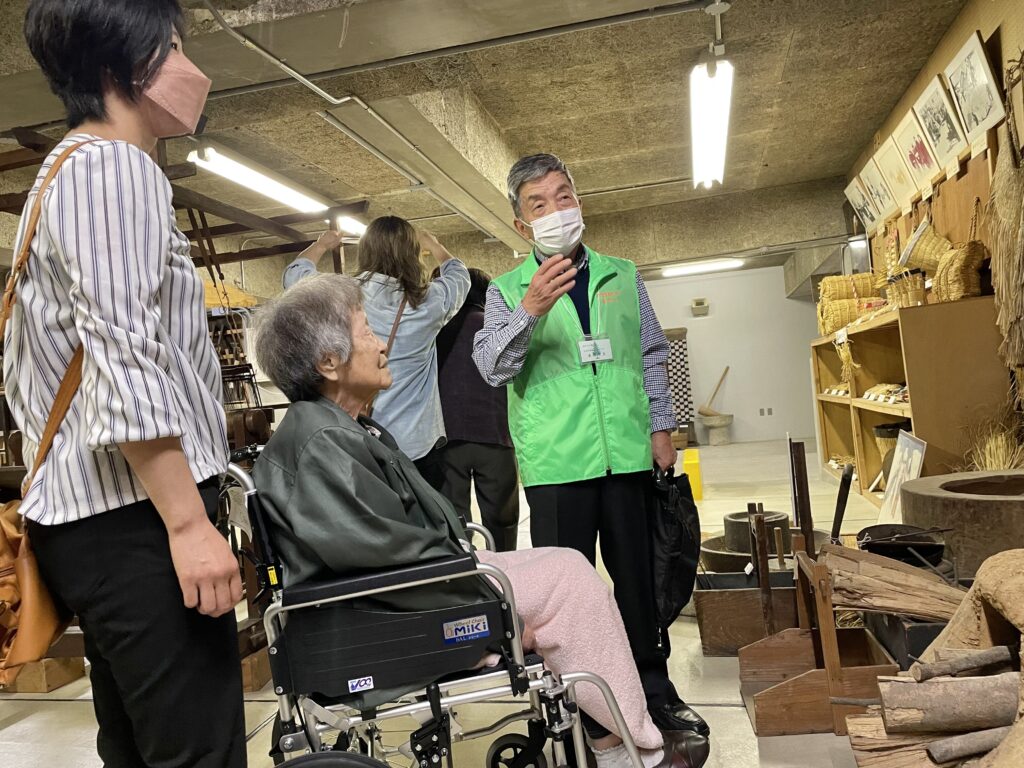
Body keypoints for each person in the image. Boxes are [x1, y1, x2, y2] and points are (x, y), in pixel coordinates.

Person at [250, 274, 710, 768]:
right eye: (366, 331)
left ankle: (612, 734)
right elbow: (380, 555)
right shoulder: (321, 442)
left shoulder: (339, 428)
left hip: (421, 581)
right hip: (402, 605)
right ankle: (627, 749)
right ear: (328, 362)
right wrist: (483, 593)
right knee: (569, 583)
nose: (382, 344)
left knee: (564, 563)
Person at [8, 1, 244, 766]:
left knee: (139, 751)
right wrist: (189, 525)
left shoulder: (66, 172)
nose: (190, 69)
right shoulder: (110, 167)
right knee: (199, 752)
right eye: (172, 48)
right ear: (121, 67)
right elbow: (125, 354)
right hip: (137, 519)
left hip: (100, 521)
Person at [473, 154, 709, 739]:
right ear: (523, 225)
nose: (556, 210)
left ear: (578, 201)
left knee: (639, 585)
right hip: (557, 466)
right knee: (564, 603)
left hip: (626, 455)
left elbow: (651, 354)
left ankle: (653, 691)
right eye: (539, 204)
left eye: (564, 196)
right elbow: (492, 368)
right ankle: (577, 708)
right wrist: (530, 309)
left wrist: (661, 430)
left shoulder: (622, 275)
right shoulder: (505, 291)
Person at [354, 216, 470, 490]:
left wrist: (322, 245)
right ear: (412, 253)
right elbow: (460, 276)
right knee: (426, 514)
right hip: (418, 444)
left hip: (361, 439)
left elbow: (295, 277)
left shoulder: (342, 295)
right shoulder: (430, 300)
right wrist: (435, 245)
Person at [434, 266, 521, 551]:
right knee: (502, 521)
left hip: (446, 439)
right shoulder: (494, 328)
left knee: (455, 523)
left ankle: (465, 573)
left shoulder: (432, 330)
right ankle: (504, 569)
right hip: (496, 436)